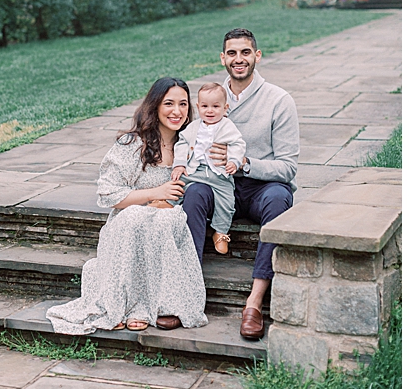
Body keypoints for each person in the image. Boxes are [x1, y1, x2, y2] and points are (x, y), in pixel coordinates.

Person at [46, 77, 208, 335]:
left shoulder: (191, 146)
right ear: (154, 106)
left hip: (167, 220)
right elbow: (109, 194)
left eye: (183, 104)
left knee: (166, 219)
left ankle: (157, 306)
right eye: (169, 103)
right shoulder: (133, 144)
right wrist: (154, 194)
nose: (177, 111)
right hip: (129, 224)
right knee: (135, 216)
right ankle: (123, 305)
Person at [182, 28, 298, 340]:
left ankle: (254, 303)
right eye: (232, 53)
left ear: (257, 56)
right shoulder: (211, 98)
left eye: (245, 52)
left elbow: (288, 167)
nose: (239, 59)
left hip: (260, 188)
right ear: (223, 58)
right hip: (218, 186)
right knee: (193, 193)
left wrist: (244, 163)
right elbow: (188, 138)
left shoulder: (279, 100)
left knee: (279, 198)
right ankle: (186, 293)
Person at [170, 83, 246, 255]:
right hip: (195, 171)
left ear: (225, 108)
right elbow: (182, 143)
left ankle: (220, 231)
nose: (209, 111)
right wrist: (180, 163)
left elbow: (238, 144)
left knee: (227, 201)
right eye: (205, 106)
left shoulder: (227, 127)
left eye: (215, 106)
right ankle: (167, 203)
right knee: (178, 182)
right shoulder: (194, 127)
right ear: (198, 107)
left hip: (219, 174)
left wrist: (234, 160)